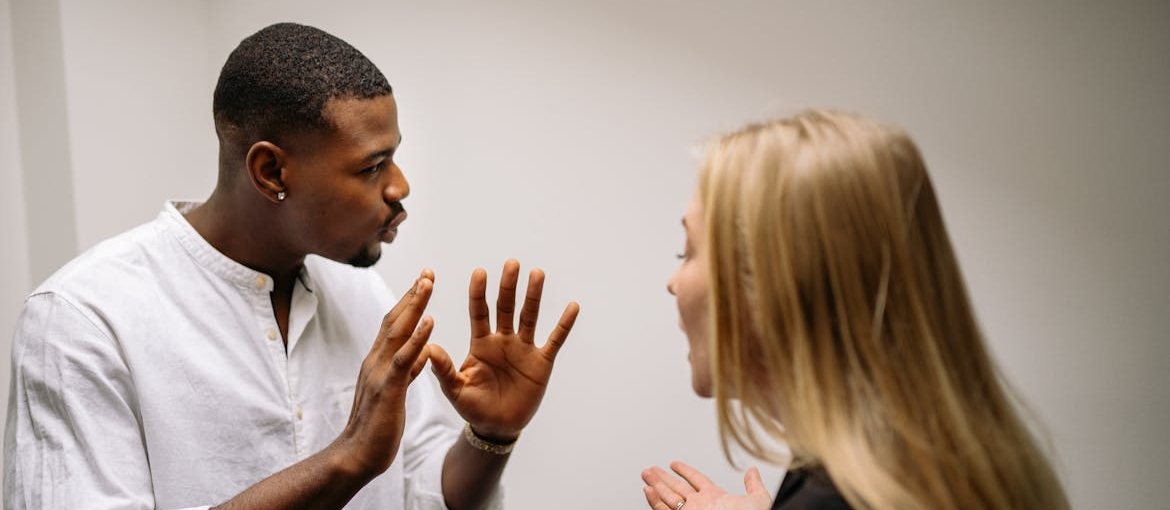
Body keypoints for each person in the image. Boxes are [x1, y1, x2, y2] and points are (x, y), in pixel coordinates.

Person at [4, 22, 579, 510]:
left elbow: (425, 493)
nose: (401, 187)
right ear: (271, 173)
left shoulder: (366, 298)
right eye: (372, 166)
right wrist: (345, 460)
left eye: (395, 156)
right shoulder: (83, 321)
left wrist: (490, 437)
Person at [641, 110, 1069, 510]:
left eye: (689, 250)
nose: (672, 283)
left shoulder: (836, 497)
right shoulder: (944, 468)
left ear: (770, 288)